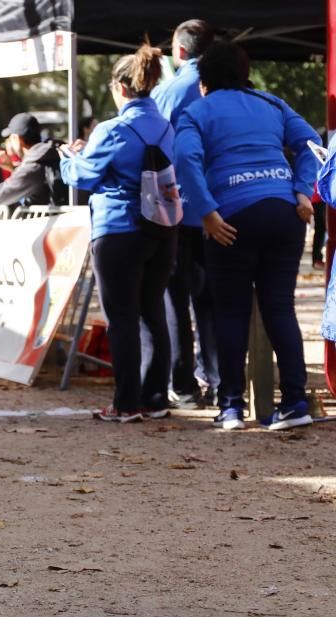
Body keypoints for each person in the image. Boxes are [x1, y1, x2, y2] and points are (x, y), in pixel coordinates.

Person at [175, 41, 319, 431]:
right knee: (279, 309)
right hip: (284, 212)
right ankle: (295, 403)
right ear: (245, 73)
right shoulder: (272, 103)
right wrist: (302, 189)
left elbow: (185, 158)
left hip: (231, 219)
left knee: (231, 312)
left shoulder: (196, 111)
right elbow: (312, 145)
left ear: (203, 83)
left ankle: (232, 407)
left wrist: (206, 212)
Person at [61, 45, 177, 423]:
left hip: (119, 230)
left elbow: (83, 176)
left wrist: (69, 158)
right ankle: (156, 396)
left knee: (122, 319)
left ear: (122, 88)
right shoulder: (166, 125)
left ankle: (126, 403)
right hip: (161, 227)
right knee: (153, 313)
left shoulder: (112, 129)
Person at [149, 18, 219, 409]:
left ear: (179, 51)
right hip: (222, 210)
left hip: (177, 212)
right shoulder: (231, 89)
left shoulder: (170, 91)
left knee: (175, 300)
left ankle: (185, 385)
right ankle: (220, 381)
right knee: (211, 299)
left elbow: (153, 148)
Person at [0, 112, 63, 207]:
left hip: (40, 221)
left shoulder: (32, 167)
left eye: (10, 138)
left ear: (17, 139)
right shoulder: (50, 152)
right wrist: (11, 167)